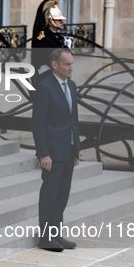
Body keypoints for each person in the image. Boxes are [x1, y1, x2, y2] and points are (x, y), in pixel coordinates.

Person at [32, 48, 81, 252]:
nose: (71, 67)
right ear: (55, 65)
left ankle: (57, 234)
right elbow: (38, 124)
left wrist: (77, 148)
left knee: (62, 195)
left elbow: (73, 119)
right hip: (52, 152)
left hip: (68, 150)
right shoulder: (44, 87)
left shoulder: (71, 85)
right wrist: (44, 153)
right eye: (67, 64)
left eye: (71, 63)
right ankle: (45, 238)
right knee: (50, 196)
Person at [31, 0, 70, 86]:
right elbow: (50, 58)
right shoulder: (43, 37)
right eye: (58, 20)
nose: (62, 22)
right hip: (47, 75)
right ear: (50, 21)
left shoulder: (59, 37)